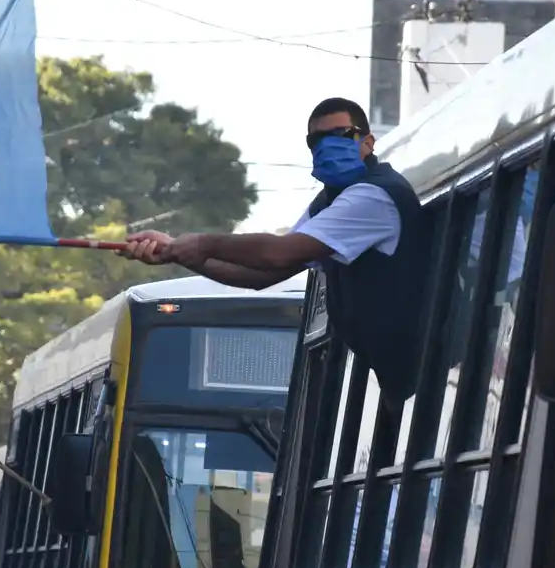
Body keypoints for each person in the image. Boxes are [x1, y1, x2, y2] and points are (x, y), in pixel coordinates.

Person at [125, 96, 427, 401]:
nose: (326, 146)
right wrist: (177, 251)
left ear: (368, 142)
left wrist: (203, 243)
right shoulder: (330, 202)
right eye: (316, 140)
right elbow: (259, 276)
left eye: (339, 135)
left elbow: (277, 253)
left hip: (420, 369)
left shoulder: (375, 196)